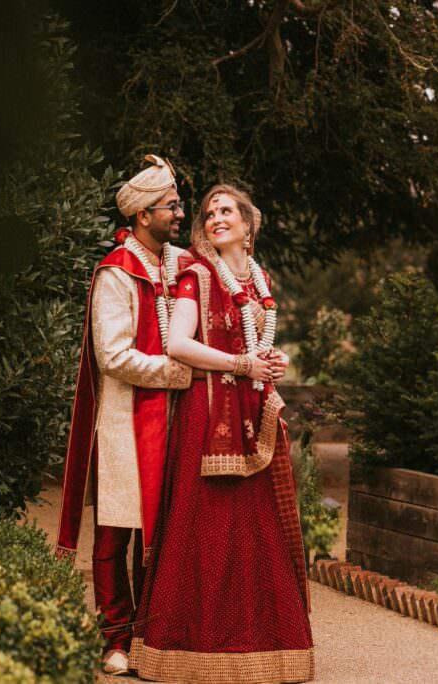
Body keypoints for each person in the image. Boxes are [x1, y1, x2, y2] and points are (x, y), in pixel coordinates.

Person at [129, 184, 314, 683]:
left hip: (251, 414)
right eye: (210, 213)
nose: (216, 218)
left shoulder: (257, 279)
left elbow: (253, 344)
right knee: (205, 525)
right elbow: (178, 345)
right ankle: (189, 649)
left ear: (248, 226)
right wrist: (241, 363)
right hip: (206, 416)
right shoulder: (197, 274)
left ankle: (262, 646)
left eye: (227, 210)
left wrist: (270, 360)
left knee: (254, 527)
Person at [55, 154, 192, 676]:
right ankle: (115, 637)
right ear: (143, 214)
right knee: (115, 533)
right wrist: (177, 373)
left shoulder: (185, 265)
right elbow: (111, 355)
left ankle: (152, 637)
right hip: (122, 422)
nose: (180, 214)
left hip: (179, 421)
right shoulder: (116, 272)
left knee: (165, 533)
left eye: (178, 204)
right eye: (171, 206)